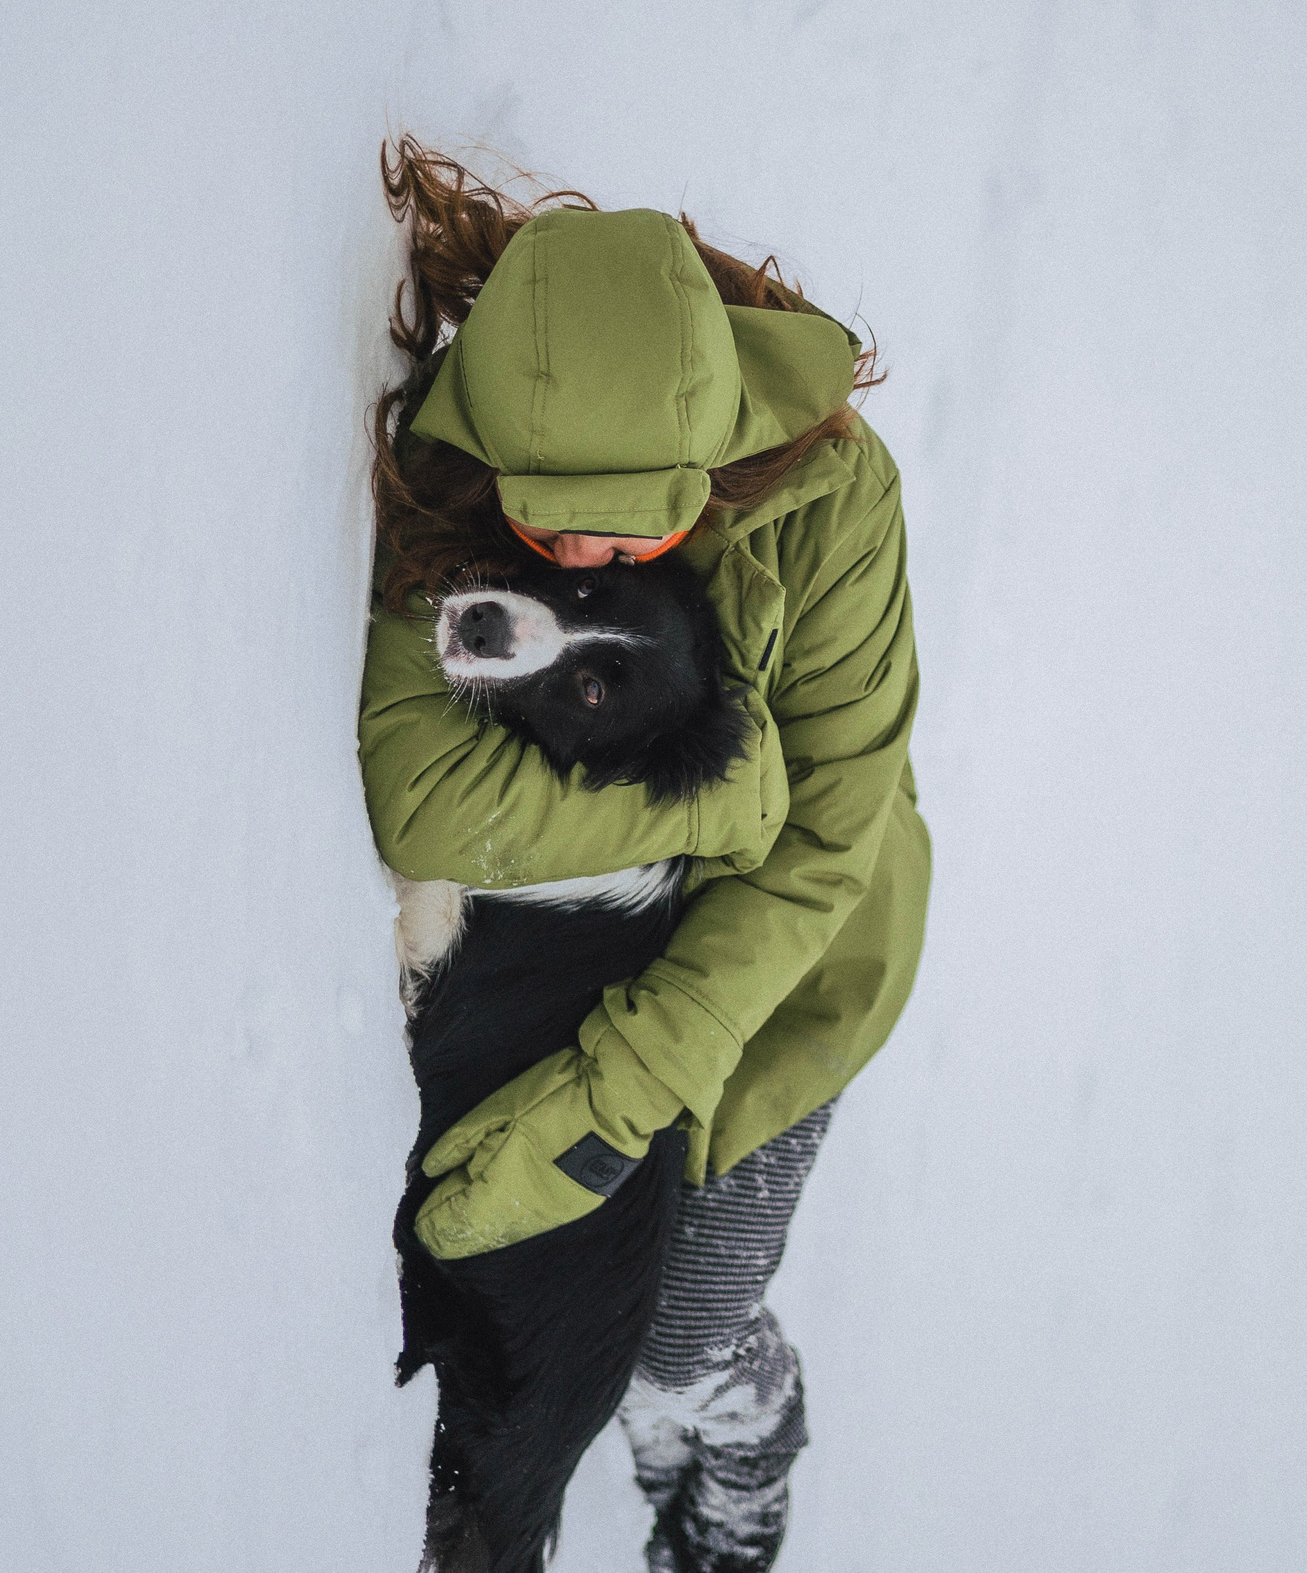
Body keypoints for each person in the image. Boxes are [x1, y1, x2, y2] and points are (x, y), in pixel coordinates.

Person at [358, 140, 929, 1573]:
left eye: (644, 526)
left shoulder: (836, 501)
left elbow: (821, 841)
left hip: (785, 963)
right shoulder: (457, 468)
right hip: (605, 921)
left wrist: (617, 1103)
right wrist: (714, 806)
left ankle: (735, 1455)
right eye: (554, 530)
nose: (595, 560)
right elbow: (426, 798)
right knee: (610, 1313)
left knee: (676, 1338)